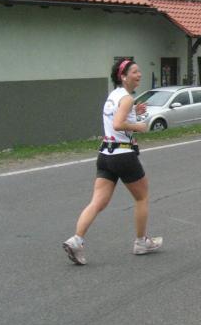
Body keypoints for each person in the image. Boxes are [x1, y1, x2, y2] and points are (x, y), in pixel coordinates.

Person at [62, 58, 162, 265]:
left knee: (98, 202)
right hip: (123, 154)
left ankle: (76, 240)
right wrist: (139, 126)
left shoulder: (114, 96)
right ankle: (141, 242)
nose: (139, 75)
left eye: (139, 71)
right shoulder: (126, 98)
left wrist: (134, 112)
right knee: (142, 197)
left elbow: (116, 117)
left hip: (105, 155)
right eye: (134, 72)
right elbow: (118, 124)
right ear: (123, 77)